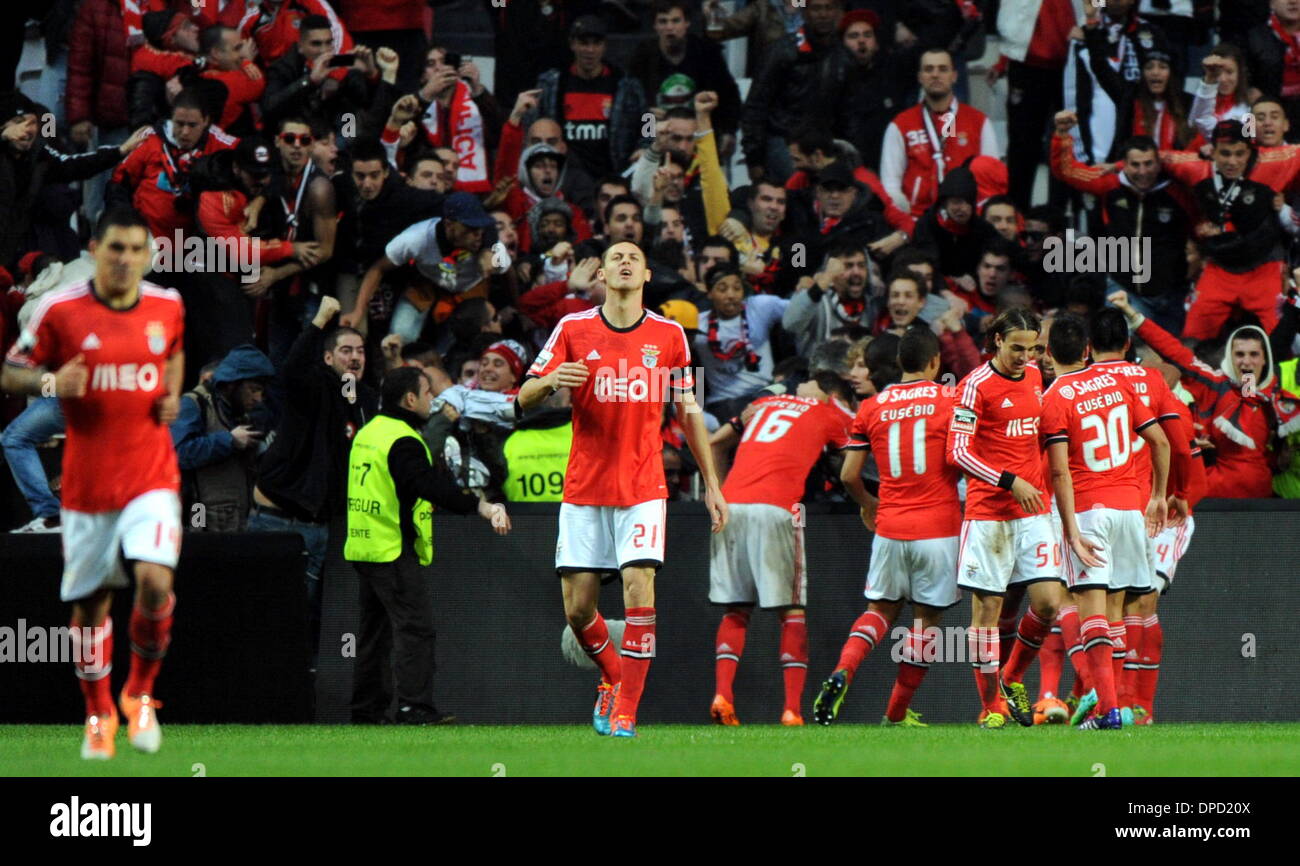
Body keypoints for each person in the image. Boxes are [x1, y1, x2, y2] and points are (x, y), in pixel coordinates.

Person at [518, 240, 729, 738]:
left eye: (634, 257)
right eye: (616, 257)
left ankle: (627, 713)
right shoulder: (573, 328)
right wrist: (550, 382)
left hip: (642, 485)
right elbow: (522, 397)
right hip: (585, 486)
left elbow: (690, 412)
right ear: (602, 274)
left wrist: (712, 485)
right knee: (578, 609)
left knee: (639, 590)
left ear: (647, 275)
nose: (626, 262)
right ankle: (613, 677)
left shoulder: (671, 335)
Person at [2, 207, 185, 759]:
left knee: (155, 581)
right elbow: (11, 370)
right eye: (115, 249)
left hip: (151, 475)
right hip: (87, 486)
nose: (126, 260)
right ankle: (97, 711)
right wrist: (52, 381)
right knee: (91, 606)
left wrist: (172, 393)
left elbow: (172, 355)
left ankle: (141, 694)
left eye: (136, 250)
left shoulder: (168, 305)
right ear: (95, 251)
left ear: (149, 255)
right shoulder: (61, 311)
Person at [346, 365, 511, 725]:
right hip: (391, 545)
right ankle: (413, 707)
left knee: (374, 633)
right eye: (428, 394)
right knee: (414, 628)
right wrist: (479, 505)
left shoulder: (369, 432)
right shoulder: (403, 439)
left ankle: (367, 710)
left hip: (363, 543)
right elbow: (426, 484)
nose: (433, 400)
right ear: (409, 400)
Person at [814, 327, 962, 727]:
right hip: (938, 527)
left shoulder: (872, 406)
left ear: (899, 363)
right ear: (935, 362)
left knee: (879, 611)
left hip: (890, 525)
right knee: (926, 622)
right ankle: (896, 714)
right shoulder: (950, 399)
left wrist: (869, 505)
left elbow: (848, 475)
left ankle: (842, 670)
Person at [1040, 313, 1170, 731]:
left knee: (1091, 609)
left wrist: (1071, 530)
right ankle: (1109, 705)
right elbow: (1160, 441)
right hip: (1130, 509)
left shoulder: (1054, 397)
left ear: (1047, 353)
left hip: (1090, 510)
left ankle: (1109, 711)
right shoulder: (1119, 383)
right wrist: (1157, 497)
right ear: (1086, 350)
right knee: (1116, 612)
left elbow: (1059, 472)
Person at [705, 371, 854, 726]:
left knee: (736, 610)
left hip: (731, 506)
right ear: (834, 394)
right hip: (777, 507)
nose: (798, 386)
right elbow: (857, 453)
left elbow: (714, 442)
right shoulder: (831, 410)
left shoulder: (762, 403)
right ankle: (791, 710)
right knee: (792, 612)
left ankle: (723, 695)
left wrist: (719, 494)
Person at [250, 295, 378, 666]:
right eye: (345, 351)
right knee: (267, 609)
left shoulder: (367, 401)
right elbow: (291, 370)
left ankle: (301, 687)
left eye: (360, 351)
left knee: (312, 613)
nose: (355, 357)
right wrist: (319, 321)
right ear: (326, 359)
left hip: (326, 527)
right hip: (277, 521)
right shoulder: (312, 387)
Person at [945, 308, 1057, 729]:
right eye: (1016, 348)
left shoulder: (1034, 378)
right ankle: (991, 705)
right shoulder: (974, 387)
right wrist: (1009, 480)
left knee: (1048, 602)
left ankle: (1011, 677)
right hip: (989, 513)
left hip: (1032, 511)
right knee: (986, 613)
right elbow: (957, 452)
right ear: (995, 341)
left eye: (1032, 349)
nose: (1025, 357)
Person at [1110, 290, 1278, 498]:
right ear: (1229, 356)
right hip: (1219, 489)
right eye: (1239, 354)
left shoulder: (1280, 395)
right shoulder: (1215, 385)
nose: (1246, 361)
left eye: (1254, 354)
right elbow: (1175, 352)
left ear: (1265, 358)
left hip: (1263, 491)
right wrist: (1131, 313)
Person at [1049, 112, 1192, 334]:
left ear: (1159, 163)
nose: (1143, 172)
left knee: (1172, 361)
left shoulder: (1177, 191)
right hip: (1125, 292)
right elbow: (1067, 170)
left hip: (1170, 296)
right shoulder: (1110, 186)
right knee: (1125, 355)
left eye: (1149, 164)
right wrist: (1061, 134)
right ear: (1124, 164)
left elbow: (1202, 162)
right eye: (1135, 165)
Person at [880, 48, 999, 218]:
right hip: (916, 219)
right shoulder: (901, 124)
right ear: (920, 77)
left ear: (954, 76)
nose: (935, 75)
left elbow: (990, 183)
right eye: (929, 69)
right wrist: (906, 222)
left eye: (943, 69)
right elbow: (890, 186)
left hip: (965, 220)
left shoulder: (979, 123)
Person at [170, 343, 275, 532]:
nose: (258, 398)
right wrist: (229, 441)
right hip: (198, 509)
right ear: (232, 383)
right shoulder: (194, 404)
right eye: (253, 390)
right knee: (201, 552)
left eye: (261, 392)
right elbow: (179, 453)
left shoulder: (239, 412)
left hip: (238, 515)